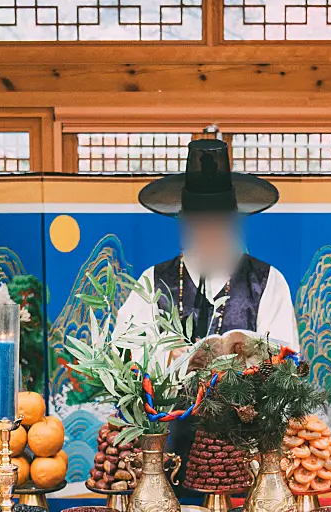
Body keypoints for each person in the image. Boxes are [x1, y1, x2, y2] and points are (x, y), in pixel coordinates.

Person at [115, 131, 300, 355]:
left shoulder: (266, 281)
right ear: (185, 221)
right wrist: (166, 357)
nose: (208, 230)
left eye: (217, 220)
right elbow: (124, 354)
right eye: (199, 221)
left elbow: (286, 360)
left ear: (233, 220)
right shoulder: (154, 281)